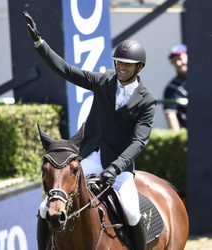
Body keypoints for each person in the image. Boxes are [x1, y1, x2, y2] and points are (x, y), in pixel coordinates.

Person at [24, 11, 156, 250]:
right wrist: (39, 44)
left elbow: (139, 142)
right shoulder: (103, 81)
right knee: (45, 208)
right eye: (119, 62)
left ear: (139, 66)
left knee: (132, 211)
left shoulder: (147, 100)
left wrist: (116, 167)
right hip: (89, 159)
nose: (122, 67)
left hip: (120, 168)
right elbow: (66, 70)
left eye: (127, 64)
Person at [163, 44, 188, 131]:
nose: (178, 63)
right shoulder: (171, 89)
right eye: (174, 61)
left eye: (180, 58)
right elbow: (170, 115)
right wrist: (179, 140)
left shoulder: (205, 80)